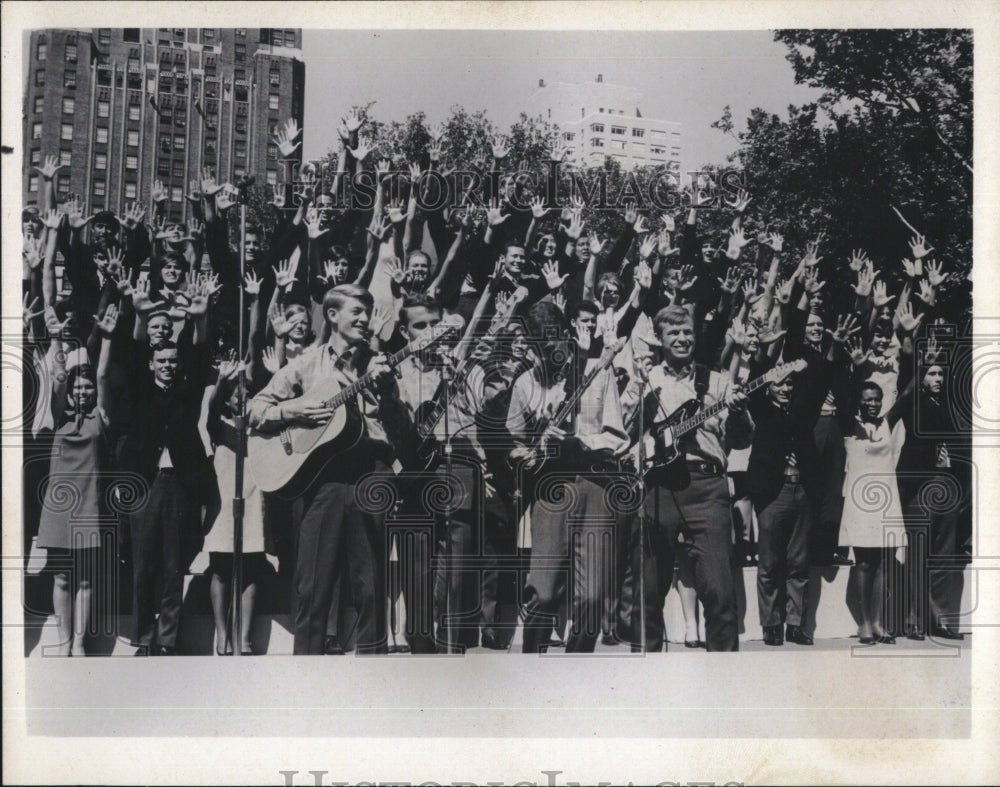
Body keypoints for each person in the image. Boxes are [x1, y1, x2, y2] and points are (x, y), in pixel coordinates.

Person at [248, 284, 404, 654]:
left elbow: (401, 430)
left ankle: (372, 678)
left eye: (368, 313)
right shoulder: (306, 364)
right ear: (332, 316)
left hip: (371, 473)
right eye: (357, 312)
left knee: (370, 584)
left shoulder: (379, 364)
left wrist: (386, 392)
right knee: (312, 586)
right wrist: (292, 410)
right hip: (323, 478)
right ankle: (307, 678)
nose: (365, 319)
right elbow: (255, 408)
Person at [621, 304, 751, 652]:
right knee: (647, 591)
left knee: (720, 590)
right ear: (660, 340)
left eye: (687, 332)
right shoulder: (648, 379)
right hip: (658, 487)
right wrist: (636, 386)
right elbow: (622, 430)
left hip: (707, 486)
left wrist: (737, 413)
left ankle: (722, 682)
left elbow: (741, 439)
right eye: (673, 333)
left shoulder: (717, 380)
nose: (682, 338)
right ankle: (645, 681)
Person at [506, 302, 629, 653]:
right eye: (537, 348)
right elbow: (514, 441)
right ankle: (532, 667)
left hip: (594, 484)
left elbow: (617, 437)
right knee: (542, 592)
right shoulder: (526, 382)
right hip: (550, 488)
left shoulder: (596, 370)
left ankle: (576, 671)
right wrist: (524, 452)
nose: (545, 354)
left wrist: (579, 442)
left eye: (551, 344)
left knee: (590, 597)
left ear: (565, 335)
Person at [118, 280, 213, 655]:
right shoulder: (142, 391)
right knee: (143, 567)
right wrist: (140, 316)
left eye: (173, 362)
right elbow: (132, 353)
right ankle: (143, 637)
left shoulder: (186, 394)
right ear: (152, 364)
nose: (169, 366)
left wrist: (201, 323)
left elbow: (201, 358)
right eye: (162, 361)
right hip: (145, 484)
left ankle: (168, 641)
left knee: (174, 569)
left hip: (178, 486)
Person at [35, 304, 118, 655]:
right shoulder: (59, 416)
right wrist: (56, 342)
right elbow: (56, 382)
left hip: (90, 505)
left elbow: (101, 376)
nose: (83, 392)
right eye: (77, 388)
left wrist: (109, 339)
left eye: (87, 389)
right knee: (62, 577)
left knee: (86, 579)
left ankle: (81, 642)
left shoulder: (102, 417)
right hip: (59, 506)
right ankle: (64, 640)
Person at [202, 357, 269, 656]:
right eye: (236, 394)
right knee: (220, 567)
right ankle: (221, 633)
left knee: (252, 567)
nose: (242, 398)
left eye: (247, 393)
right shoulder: (218, 426)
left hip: (253, 500)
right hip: (223, 501)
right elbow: (211, 410)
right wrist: (220, 382)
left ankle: (243, 636)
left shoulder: (259, 428)